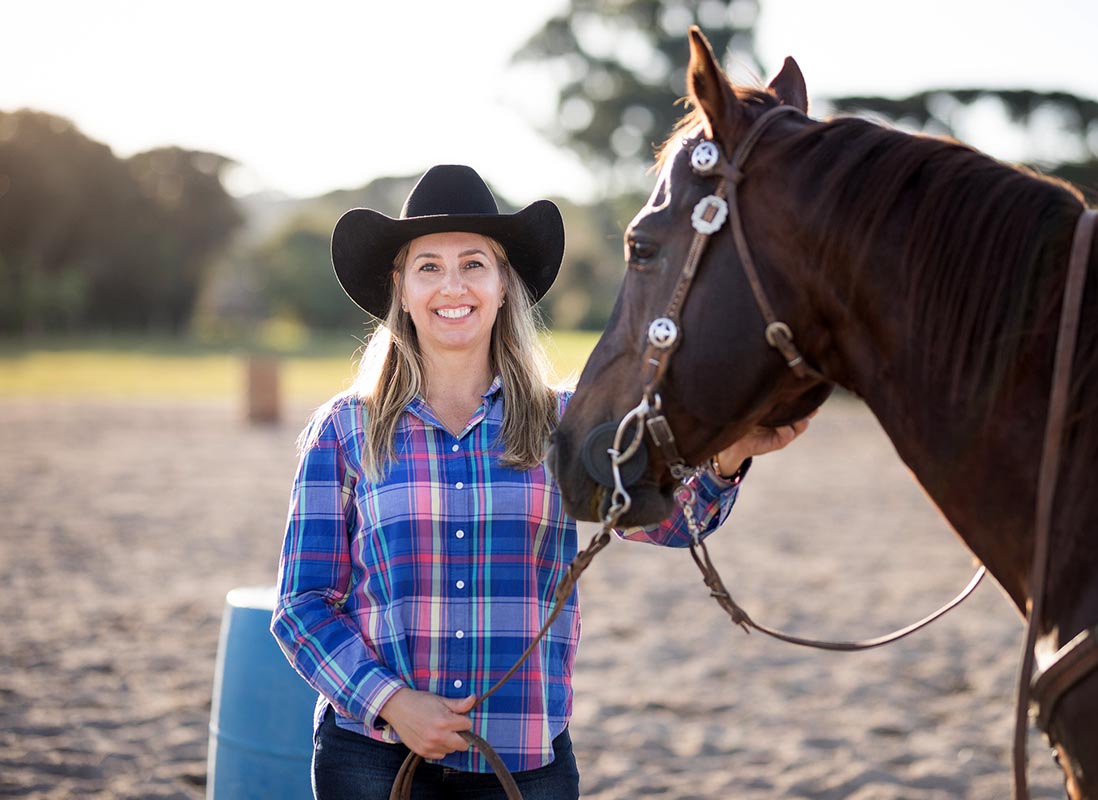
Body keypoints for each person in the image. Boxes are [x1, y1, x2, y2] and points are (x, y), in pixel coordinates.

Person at [271, 164, 811, 800]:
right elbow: (302, 606)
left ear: (503, 285)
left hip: (522, 761)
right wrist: (391, 703)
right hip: (372, 759)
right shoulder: (343, 430)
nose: (454, 285)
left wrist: (727, 457)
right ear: (402, 288)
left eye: (474, 264)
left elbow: (667, 521)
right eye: (429, 267)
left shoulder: (566, 419)